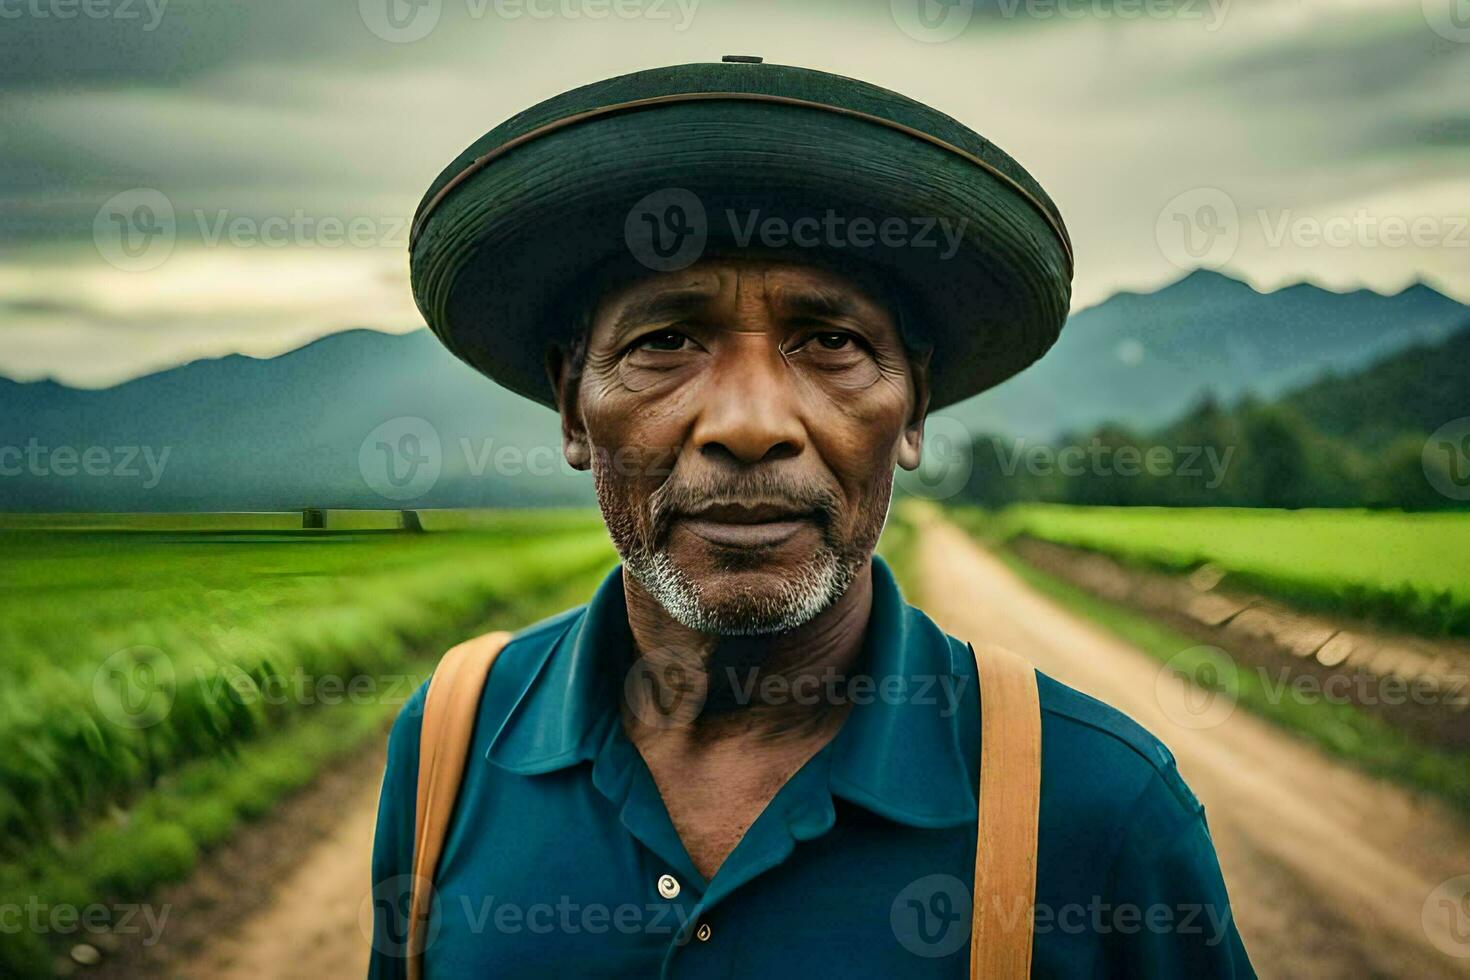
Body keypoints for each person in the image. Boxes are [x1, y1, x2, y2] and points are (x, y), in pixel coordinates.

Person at [368, 57, 1255, 978]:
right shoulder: (452, 742)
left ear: (911, 411)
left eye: (830, 343)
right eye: (665, 342)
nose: (750, 427)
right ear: (570, 406)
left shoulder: (1100, 806)